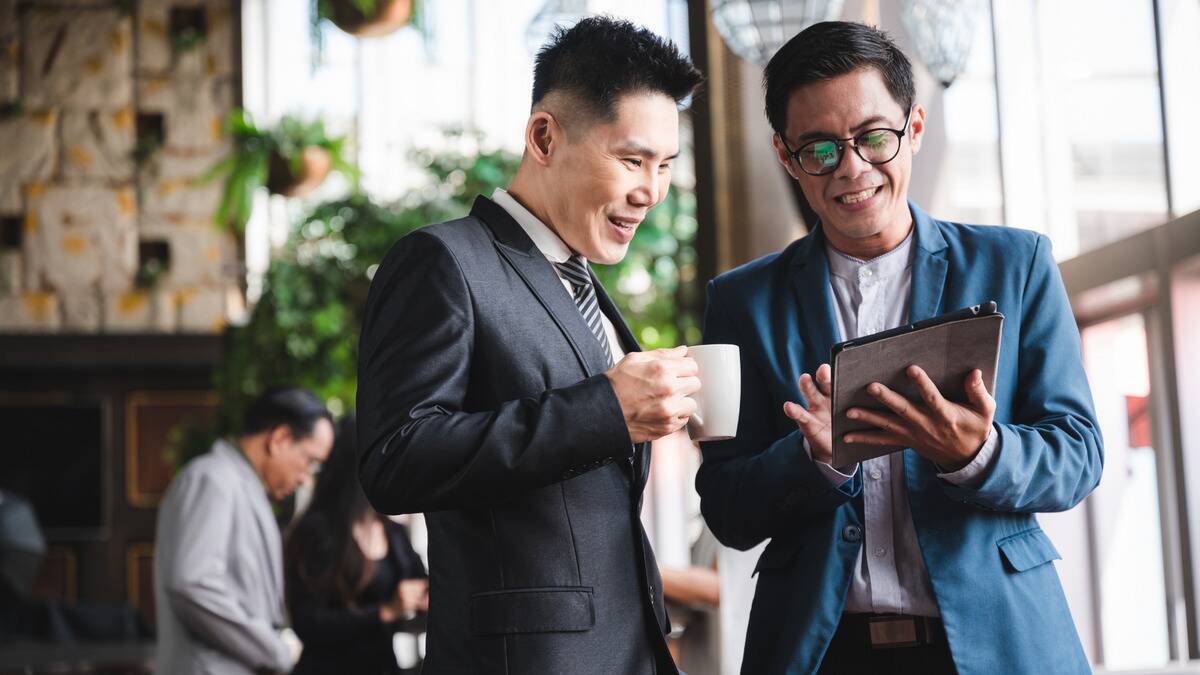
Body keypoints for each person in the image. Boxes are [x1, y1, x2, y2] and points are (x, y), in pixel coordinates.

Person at [695, 21, 1103, 675]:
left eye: (873, 137)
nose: (852, 168)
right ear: (785, 153)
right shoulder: (742, 301)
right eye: (820, 150)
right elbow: (726, 506)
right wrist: (812, 460)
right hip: (823, 651)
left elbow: (1078, 453)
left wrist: (978, 452)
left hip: (996, 641)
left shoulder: (1016, 263)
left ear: (913, 127)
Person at [356, 16, 703, 675]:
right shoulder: (442, 260)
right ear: (544, 136)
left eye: (664, 166)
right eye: (631, 159)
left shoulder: (587, 286)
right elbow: (394, 456)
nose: (650, 192)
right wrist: (605, 410)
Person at [154, 388, 334, 675]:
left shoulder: (238, 484)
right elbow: (192, 585)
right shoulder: (213, 478)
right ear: (280, 439)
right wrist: (274, 649)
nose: (305, 477)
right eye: (309, 461)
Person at [284, 415, 428, 675]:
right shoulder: (316, 532)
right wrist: (384, 612)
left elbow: (420, 589)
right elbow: (307, 624)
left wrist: (423, 598)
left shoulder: (393, 533)